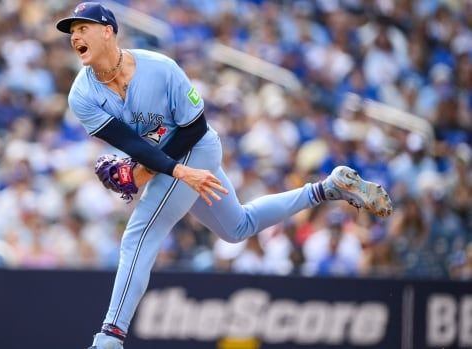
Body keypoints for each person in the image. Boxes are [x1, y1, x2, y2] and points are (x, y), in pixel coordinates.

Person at [55, 3, 393, 348]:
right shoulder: (82, 94)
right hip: (170, 159)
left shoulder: (159, 68)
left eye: (82, 28)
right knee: (237, 227)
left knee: (139, 235)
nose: (75, 36)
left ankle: (110, 336)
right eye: (72, 32)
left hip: (199, 147)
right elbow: (131, 144)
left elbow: (193, 128)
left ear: (108, 30)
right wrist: (152, 169)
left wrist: (166, 172)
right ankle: (325, 189)